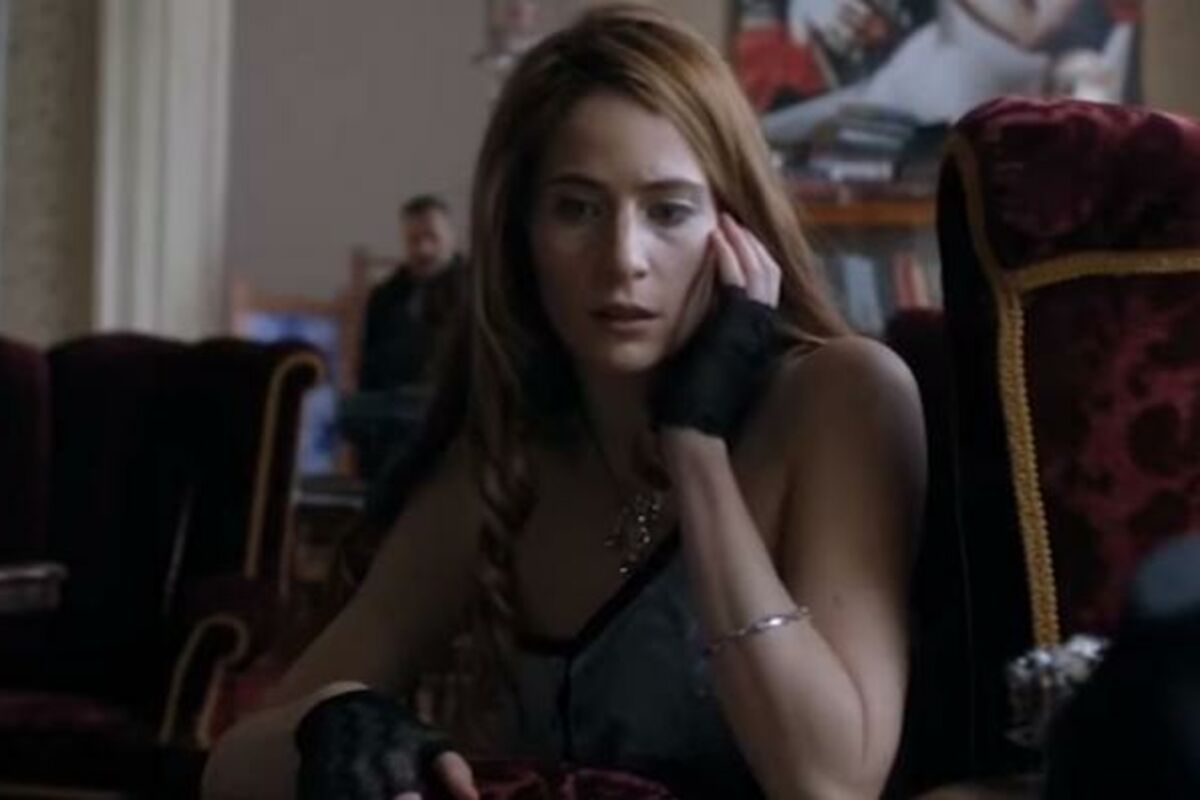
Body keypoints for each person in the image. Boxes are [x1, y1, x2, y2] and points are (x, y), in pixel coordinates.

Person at [203, 5, 925, 799]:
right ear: (521, 238)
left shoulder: (841, 398)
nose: (623, 259)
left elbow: (829, 785)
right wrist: (332, 723)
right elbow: (230, 767)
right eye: (576, 208)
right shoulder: (505, 466)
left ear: (737, 228)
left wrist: (695, 448)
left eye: (669, 211)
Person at [351, 194, 467, 477]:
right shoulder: (385, 297)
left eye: (432, 237)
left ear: (451, 238)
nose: (423, 249)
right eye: (414, 240)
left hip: (454, 422)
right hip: (392, 422)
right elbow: (368, 367)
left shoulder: (476, 293)